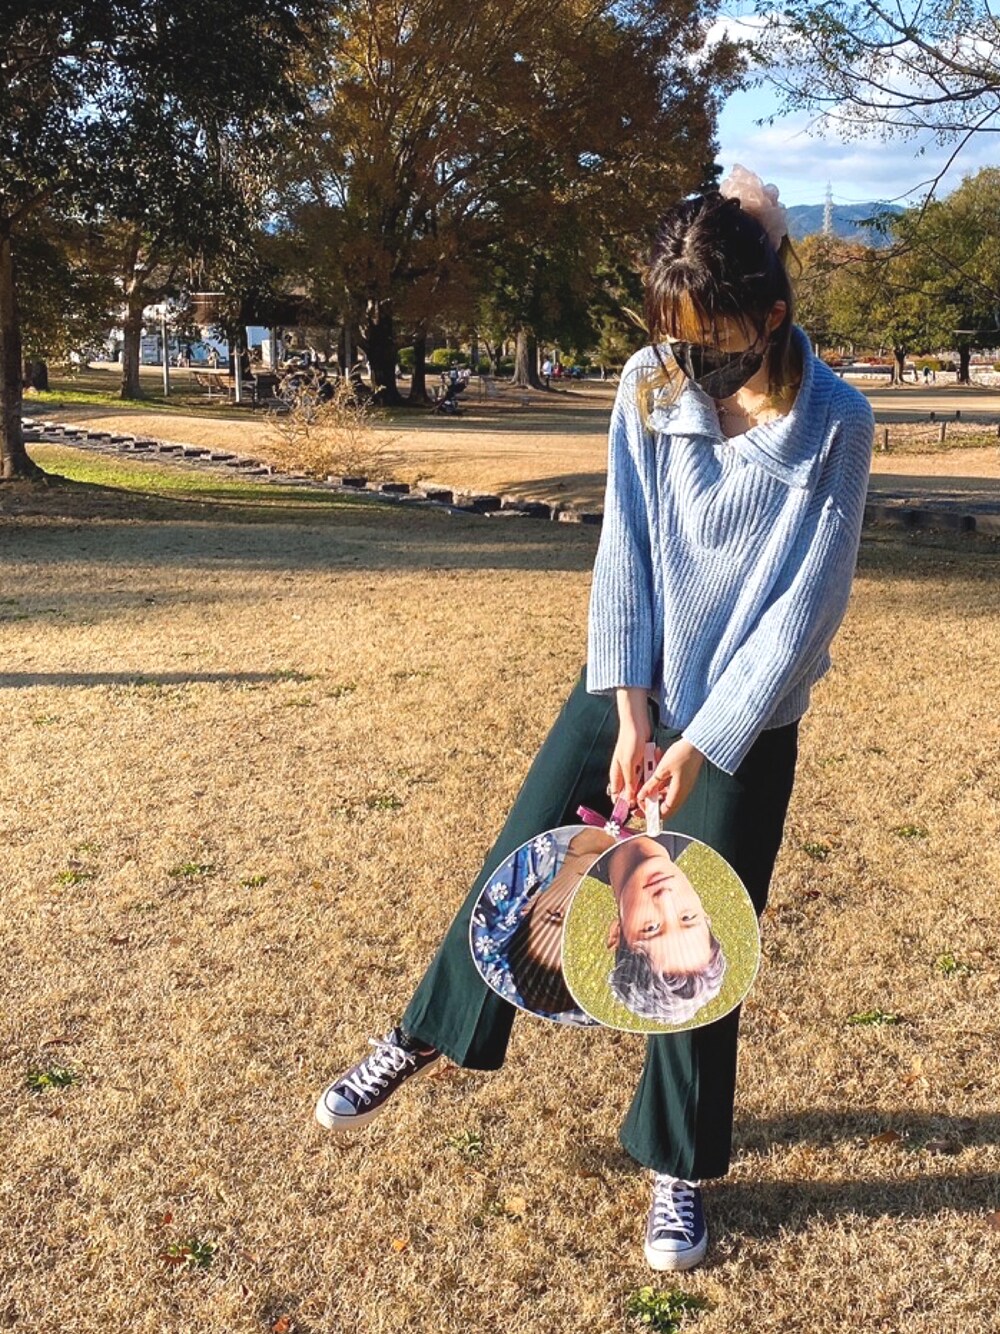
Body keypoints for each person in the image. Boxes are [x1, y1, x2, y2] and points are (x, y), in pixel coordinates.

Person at [314, 164, 874, 1272]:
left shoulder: (835, 424)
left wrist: (699, 742)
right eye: (673, 337)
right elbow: (626, 550)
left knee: (698, 937)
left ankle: (676, 1165)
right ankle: (425, 1031)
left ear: (771, 315)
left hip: (743, 724)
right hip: (627, 689)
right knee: (519, 861)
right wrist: (627, 709)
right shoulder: (648, 386)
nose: (689, 362)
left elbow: (803, 611)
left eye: (711, 339)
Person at [599, 835, 726, 1025]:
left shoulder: (564, 855)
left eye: (651, 928)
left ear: (617, 933)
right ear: (704, 914)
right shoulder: (699, 825)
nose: (665, 896)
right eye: (687, 918)